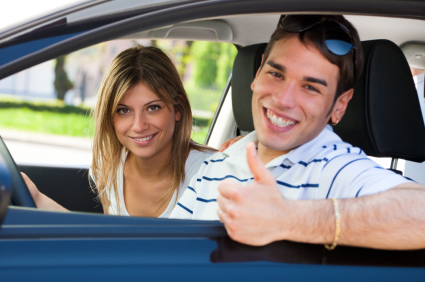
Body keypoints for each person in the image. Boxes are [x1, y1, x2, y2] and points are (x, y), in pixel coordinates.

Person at [170, 15, 425, 250]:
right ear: (257, 74)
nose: (283, 99)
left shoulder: (336, 169)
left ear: (339, 105)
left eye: (311, 87)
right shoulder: (217, 163)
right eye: (276, 74)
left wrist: (288, 219)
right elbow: (170, 251)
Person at [23, 45, 241, 217]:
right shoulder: (108, 169)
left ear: (177, 109)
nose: (138, 125)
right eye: (124, 110)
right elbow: (110, 250)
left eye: (153, 108)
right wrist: (35, 197)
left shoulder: (212, 172)